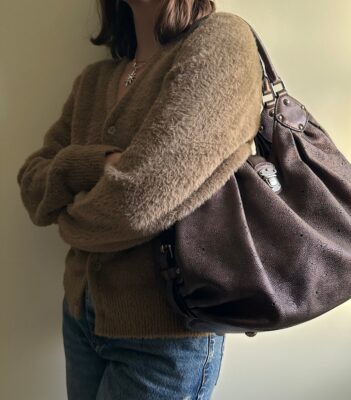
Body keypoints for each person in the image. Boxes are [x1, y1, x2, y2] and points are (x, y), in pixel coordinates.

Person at [16, 0, 264, 398]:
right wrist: (95, 163)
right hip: (80, 318)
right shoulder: (94, 80)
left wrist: (69, 215)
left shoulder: (221, 40)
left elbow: (136, 203)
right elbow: (31, 182)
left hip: (166, 335)